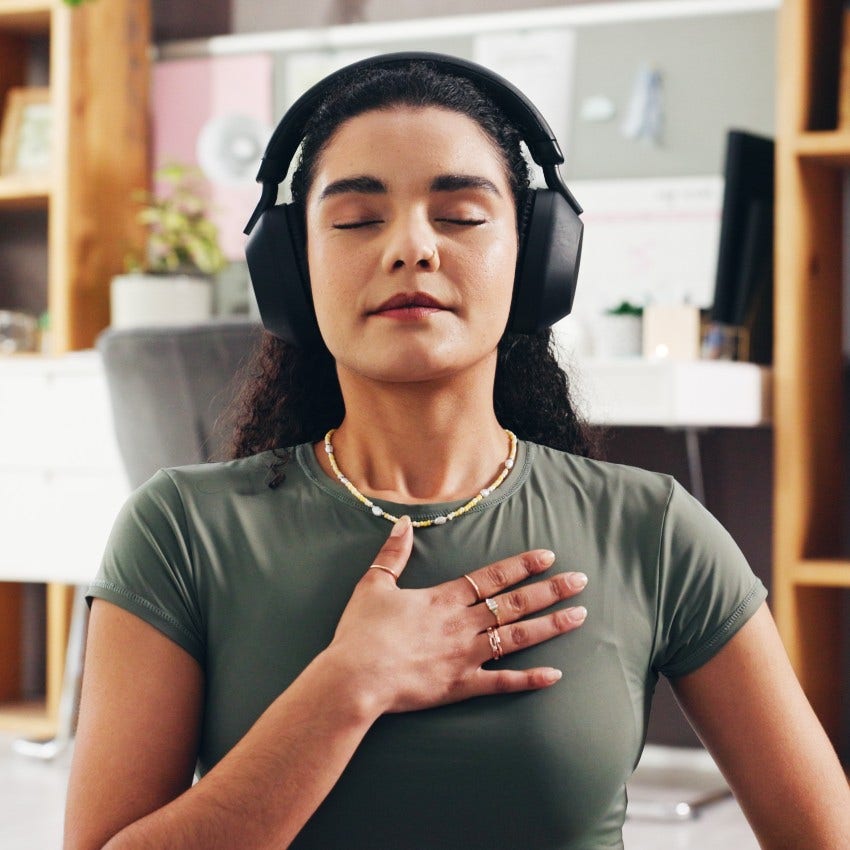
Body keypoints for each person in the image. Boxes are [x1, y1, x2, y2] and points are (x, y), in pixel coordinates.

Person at [65, 54, 850, 850]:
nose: (412, 248)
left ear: (540, 257)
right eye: (356, 219)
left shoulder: (654, 531)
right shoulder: (178, 531)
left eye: (462, 216)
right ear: (292, 268)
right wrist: (346, 687)